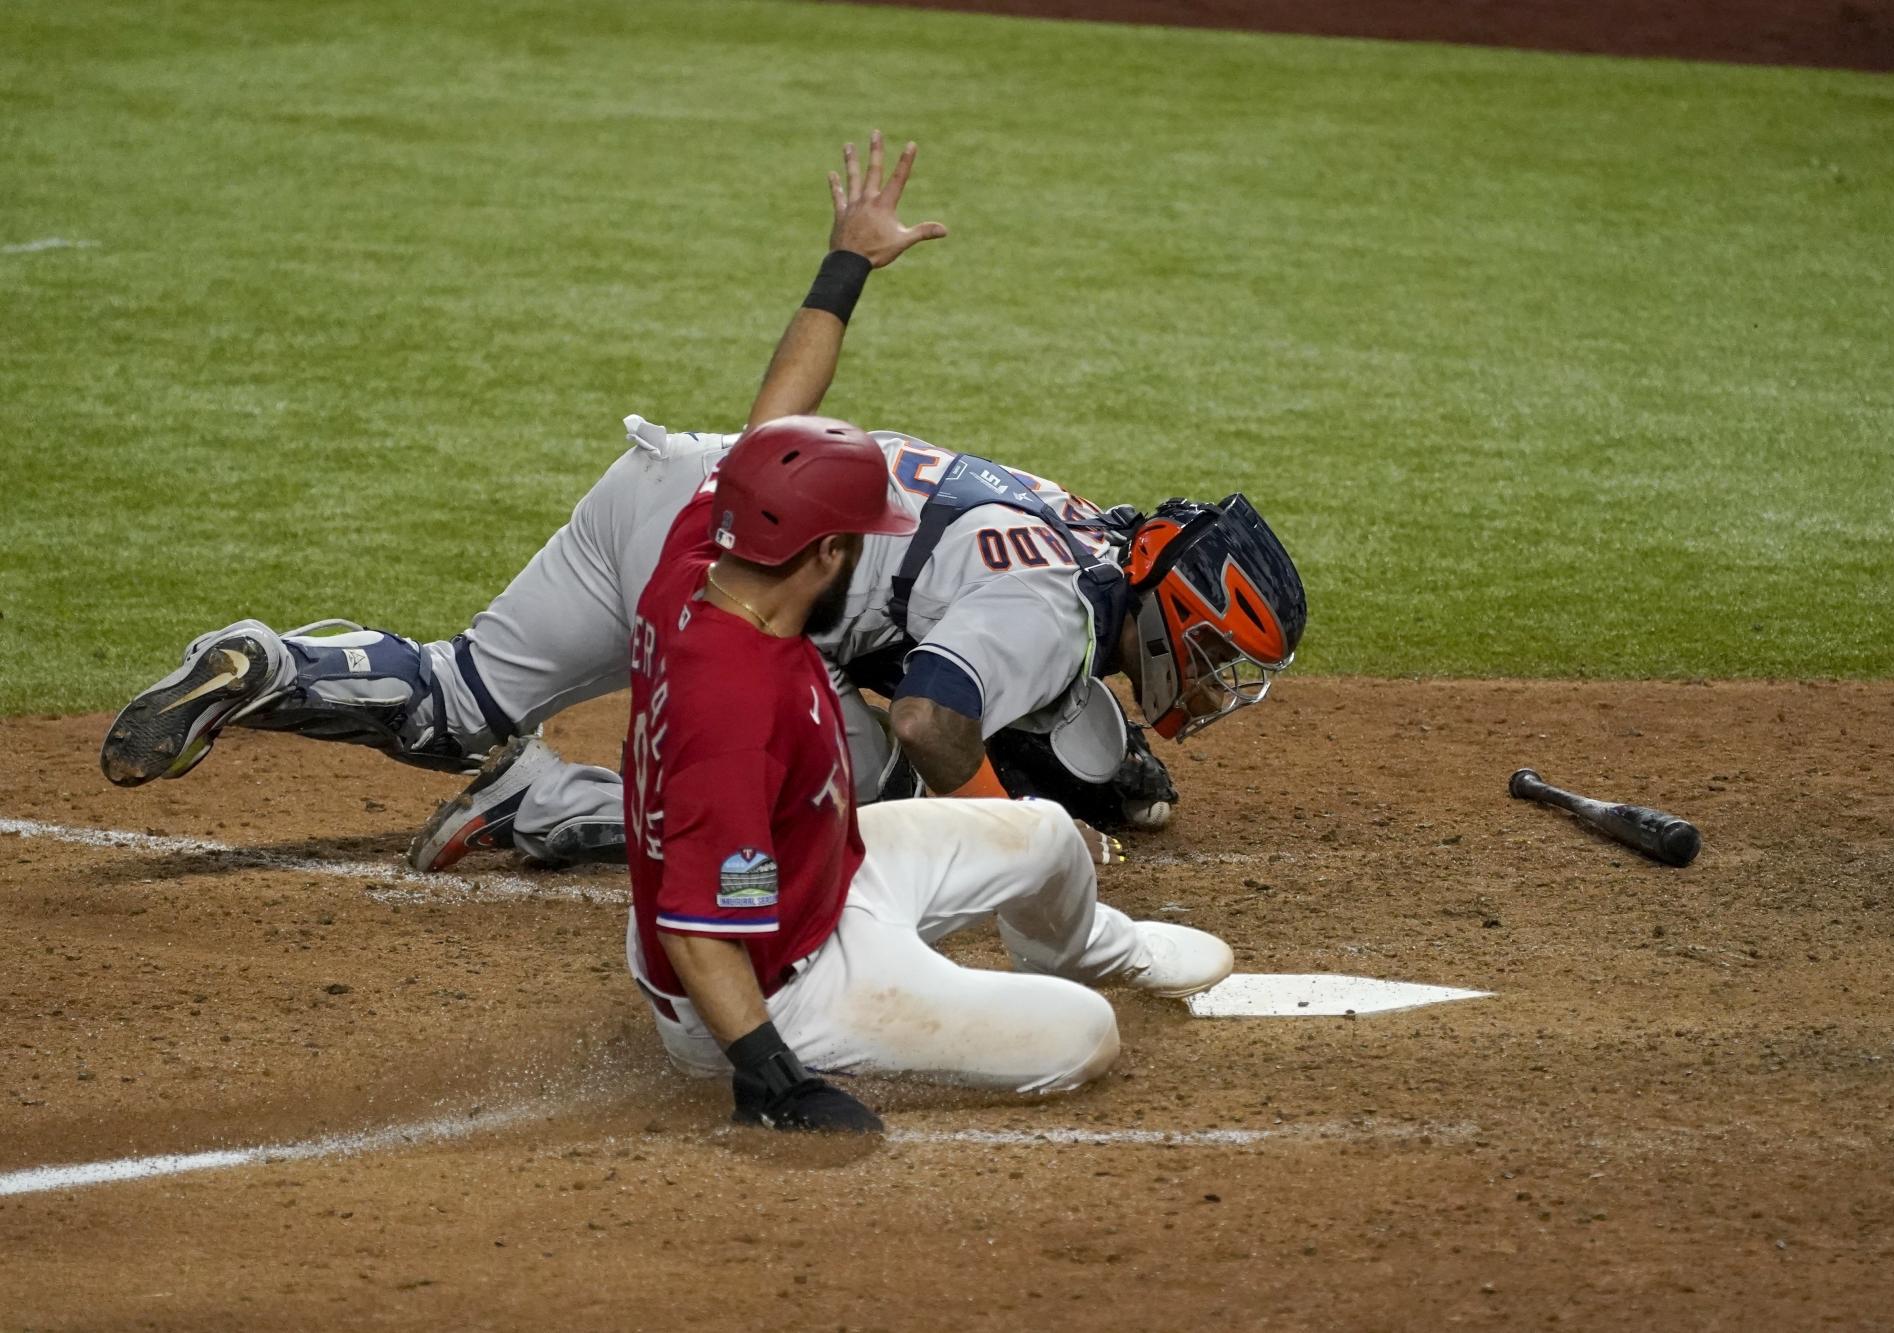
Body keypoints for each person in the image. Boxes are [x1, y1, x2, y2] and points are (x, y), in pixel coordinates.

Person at [98, 132, 1308, 870]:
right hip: (741, 576)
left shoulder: (1063, 519)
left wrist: (844, 261)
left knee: (458, 696)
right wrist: (1018, 833)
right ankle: (552, 804)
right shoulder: (1052, 600)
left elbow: (779, 421)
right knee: (861, 793)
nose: (1206, 682)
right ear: (1171, 602)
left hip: (672, 482)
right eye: (1211, 652)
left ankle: (269, 664)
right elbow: (946, 723)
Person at [627, 409, 1232, 1130]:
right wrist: (772, 1072)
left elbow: (774, 420)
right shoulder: (733, 708)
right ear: (824, 554)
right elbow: (700, 927)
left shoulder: (700, 558)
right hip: (782, 982)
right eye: (860, 539)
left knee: (1038, 830)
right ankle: (794, 1039)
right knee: (1085, 1037)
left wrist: (835, 293)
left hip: (827, 867)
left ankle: (1097, 948)